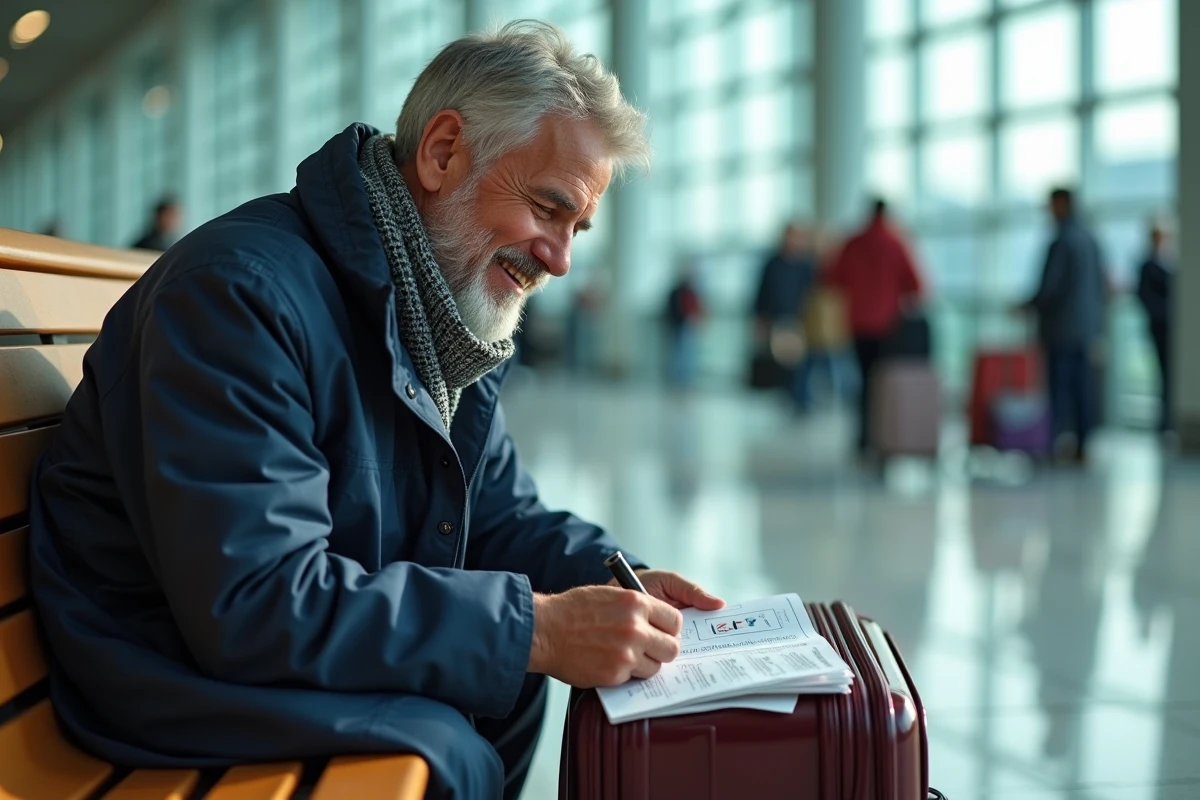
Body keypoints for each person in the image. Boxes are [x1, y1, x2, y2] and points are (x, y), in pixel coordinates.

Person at [28, 23, 723, 800]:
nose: (560, 257)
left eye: (577, 229)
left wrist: (615, 578)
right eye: (547, 208)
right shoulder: (240, 296)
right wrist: (539, 627)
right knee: (449, 738)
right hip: (161, 662)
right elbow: (254, 600)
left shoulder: (443, 319)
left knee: (510, 687)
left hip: (236, 631)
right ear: (443, 152)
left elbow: (499, 517)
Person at [825, 198, 924, 453]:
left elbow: (833, 279)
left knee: (864, 380)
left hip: (857, 323)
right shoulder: (896, 242)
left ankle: (864, 437)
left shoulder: (852, 242)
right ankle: (883, 435)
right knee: (884, 383)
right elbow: (917, 285)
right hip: (888, 325)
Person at [1019, 187, 1108, 463]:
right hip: (1087, 328)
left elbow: (1051, 288)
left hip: (1061, 329)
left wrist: (1029, 305)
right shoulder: (1091, 239)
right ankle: (1082, 444)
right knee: (1083, 387)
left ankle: (1055, 443)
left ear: (1061, 204)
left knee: (1058, 388)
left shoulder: (1062, 241)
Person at [751, 222, 817, 405]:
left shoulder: (805, 265)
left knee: (802, 363)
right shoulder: (772, 264)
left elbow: (813, 293)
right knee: (785, 362)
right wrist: (760, 317)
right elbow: (761, 292)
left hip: (800, 321)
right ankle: (792, 397)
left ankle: (801, 398)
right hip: (778, 320)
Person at [1136, 220, 1173, 433]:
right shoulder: (1148, 265)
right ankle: (1164, 422)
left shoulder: (1168, 262)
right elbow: (1144, 296)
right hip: (1159, 328)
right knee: (1163, 375)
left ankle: (1168, 420)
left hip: (1169, 328)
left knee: (1170, 376)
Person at [663, 260, 706, 389]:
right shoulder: (678, 291)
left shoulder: (691, 291)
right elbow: (674, 309)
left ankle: (685, 378)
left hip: (687, 325)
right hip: (679, 325)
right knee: (679, 353)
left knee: (686, 353)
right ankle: (678, 378)